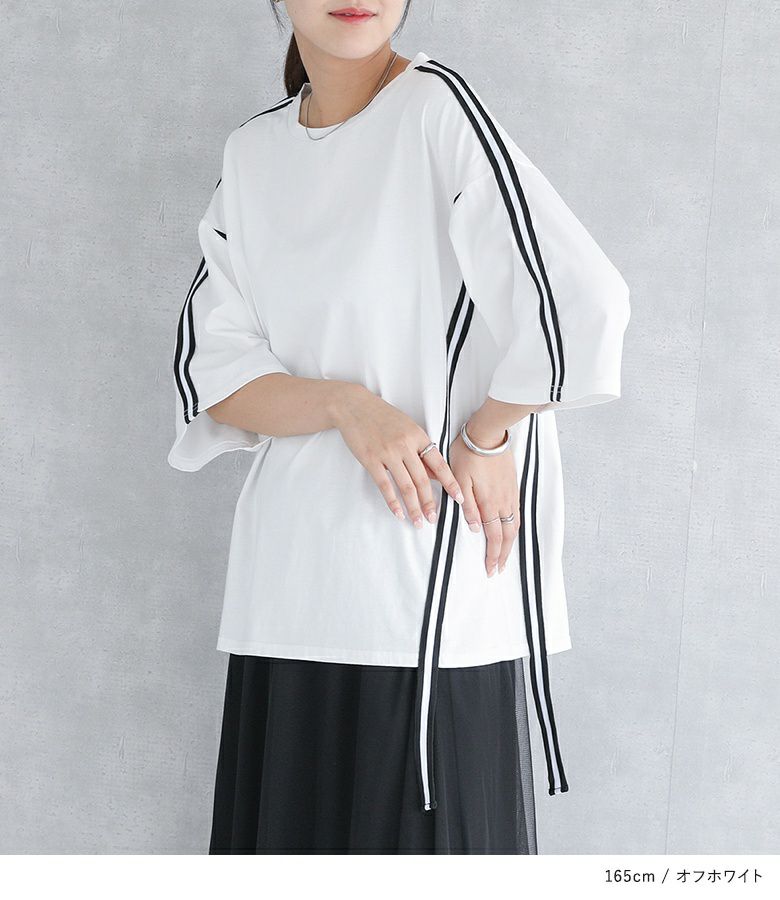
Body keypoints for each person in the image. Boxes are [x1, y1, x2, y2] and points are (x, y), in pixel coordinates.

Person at [167, 0, 631, 854]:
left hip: (422, 586)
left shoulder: (436, 109)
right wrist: (346, 405)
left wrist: (490, 433)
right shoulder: (253, 151)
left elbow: (582, 301)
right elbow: (215, 373)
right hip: (289, 589)